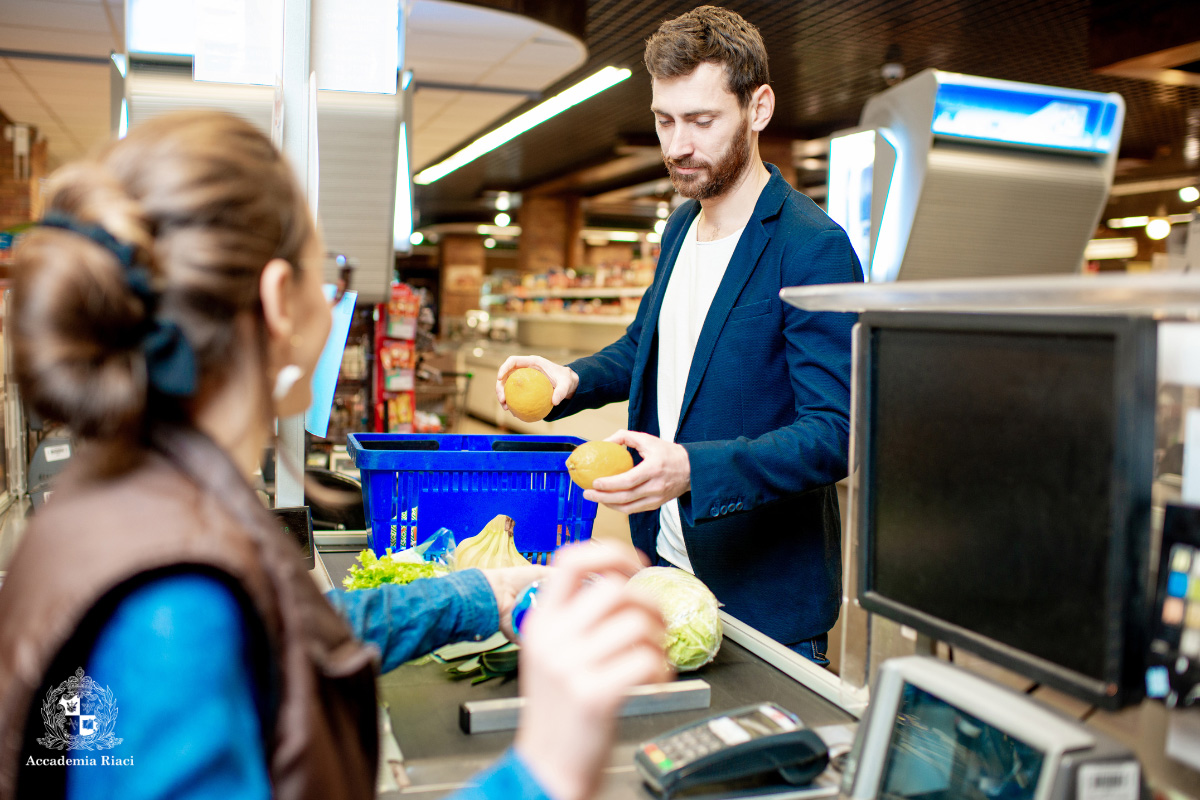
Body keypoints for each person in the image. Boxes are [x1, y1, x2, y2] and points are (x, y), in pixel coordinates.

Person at [0, 110, 669, 800]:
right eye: (334, 272)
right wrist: (546, 768)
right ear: (279, 300)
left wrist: (475, 597)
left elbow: (274, 640)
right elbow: (217, 645)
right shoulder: (174, 616)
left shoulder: (126, 491)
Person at [496, 6, 863, 663]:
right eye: (665, 120)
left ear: (759, 108)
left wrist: (694, 469)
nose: (677, 146)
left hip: (762, 601)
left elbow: (837, 432)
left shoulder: (812, 247)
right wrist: (570, 380)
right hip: (663, 572)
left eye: (701, 120)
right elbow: (647, 347)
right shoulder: (680, 230)